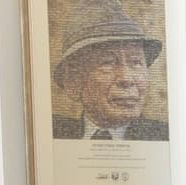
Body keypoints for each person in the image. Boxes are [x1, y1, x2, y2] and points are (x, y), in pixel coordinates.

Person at [51, 0, 169, 141]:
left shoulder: (166, 138)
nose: (126, 78)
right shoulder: (52, 133)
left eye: (136, 62)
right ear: (73, 82)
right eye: (108, 63)